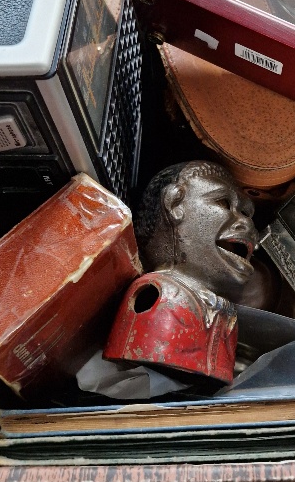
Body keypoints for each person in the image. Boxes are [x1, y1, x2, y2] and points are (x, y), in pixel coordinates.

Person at [103, 160, 258, 384]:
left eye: (245, 212)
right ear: (174, 204)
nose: (246, 222)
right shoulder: (165, 294)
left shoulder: (222, 310)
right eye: (224, 203)